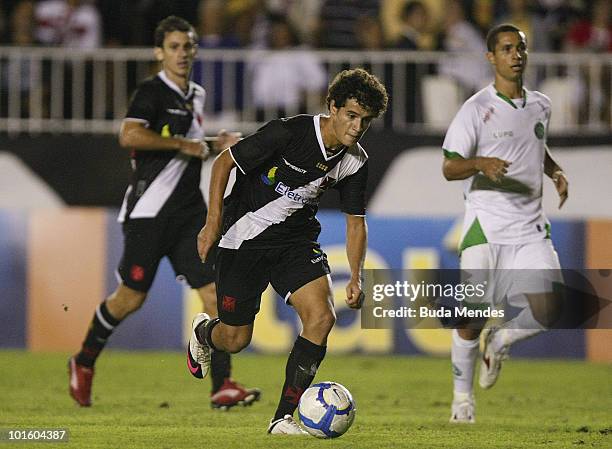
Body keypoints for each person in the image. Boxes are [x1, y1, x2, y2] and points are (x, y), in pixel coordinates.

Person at [68, 15, 260, 411]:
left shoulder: (196, 94)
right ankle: (83, 361)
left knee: (214, 294)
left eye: (188, 46)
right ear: (159, 52)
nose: (182, 54)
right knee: (129, 298)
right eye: (174, 47)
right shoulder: (151, 92)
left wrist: (212, 142)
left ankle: (222, 386)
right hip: (149, 213)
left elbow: (188, 144)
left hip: (189, 215)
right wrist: (185, 146)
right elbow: (129, 134)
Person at [188, 68, 388, 434]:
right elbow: (224, 162)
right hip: (243, 239)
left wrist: (356, 277)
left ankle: (282, 417)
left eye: (366, 121)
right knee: (234, 339)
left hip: (295, 242)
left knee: (322, 318)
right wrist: (212, 221)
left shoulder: (355, 161)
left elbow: (355, 221)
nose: (357, 128)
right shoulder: (289, 132)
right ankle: (205, 334)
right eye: (352, 115)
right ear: (332, 107)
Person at [442, 23, 569, 424]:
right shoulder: (476, 108)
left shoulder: (541, 105)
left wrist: (554, 170)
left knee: (552, 309)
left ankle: (502, 338)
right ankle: (462, 402)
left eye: (521, 48)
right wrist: (480, 162)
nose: (516, 55)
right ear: (491, 57)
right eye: (507, 49)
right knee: (470, 318)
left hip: (530, 225)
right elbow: (449, 167)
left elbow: (534, 141)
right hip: (487, 226)